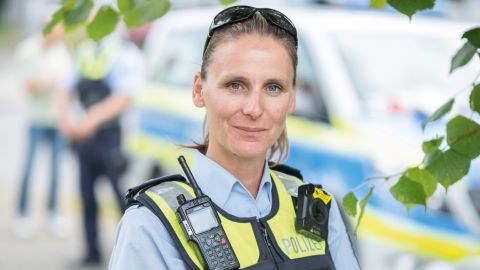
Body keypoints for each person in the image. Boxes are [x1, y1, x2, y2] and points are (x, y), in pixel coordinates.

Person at [109, 5, 360, 270]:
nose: (254, 108)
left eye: (273, 87)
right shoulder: (151, 226)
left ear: (292, 99)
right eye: (235, 85)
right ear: (198, 90)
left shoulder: (316, 208)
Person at [58, 33, 144, 266]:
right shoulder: (85, 48)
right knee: (87, 197)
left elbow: (125, 96)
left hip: (111, 137)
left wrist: (91, 119)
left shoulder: (124, 52)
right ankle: (91, 252)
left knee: (122, 198)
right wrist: (65, 118)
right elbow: (65, 86)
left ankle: (136, 253)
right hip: (86, 139)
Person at [13, 25, 71, 238]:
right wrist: (52, 83)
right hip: (36, 119)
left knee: (56, 170)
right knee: (28, 168)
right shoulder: (28, 50)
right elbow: (29, 86)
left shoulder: (62, 51)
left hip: (56, 120)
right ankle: (22, 215)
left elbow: (67, 87)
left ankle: (53, 214)